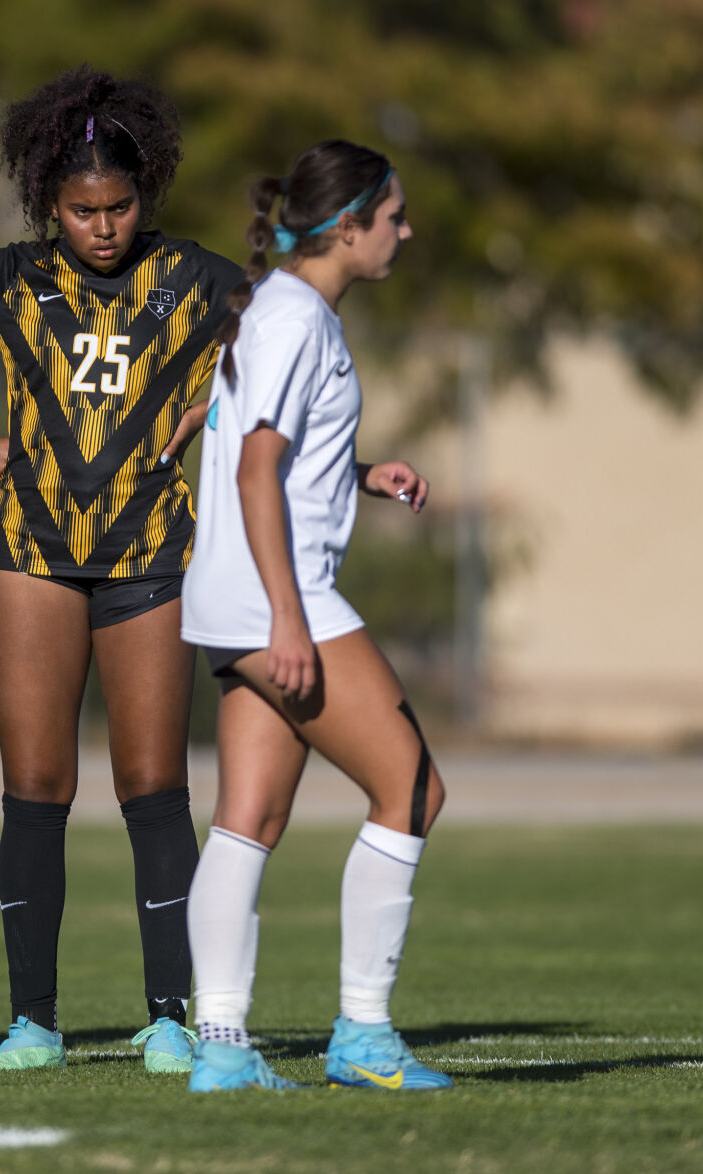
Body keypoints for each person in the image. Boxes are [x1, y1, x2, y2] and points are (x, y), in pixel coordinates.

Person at [0, 67, 243, 1073]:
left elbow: (293, 346)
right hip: (30, 551)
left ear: (145, 192)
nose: (102, 226)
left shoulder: (199, 279)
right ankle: (33, 1024)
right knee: (35, 788)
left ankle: (170, 1017)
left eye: (118, 206)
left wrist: (226, 401)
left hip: (150, 553)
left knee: (154, 787)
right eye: (81, 209)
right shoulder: (10, 278)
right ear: (47, 202)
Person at [178, 139, 453, 1092]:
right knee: (412, 792)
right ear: (347, 228)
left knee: (247, 818)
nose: (404, 231)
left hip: (229, 597)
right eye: (394, 216)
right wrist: (289, 621)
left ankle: (219, 1051)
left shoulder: (278, 312)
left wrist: (360, 472)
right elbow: (257, 467)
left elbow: (277, 456)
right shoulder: (297, 318)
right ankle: (364, 1036)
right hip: (274, 598)